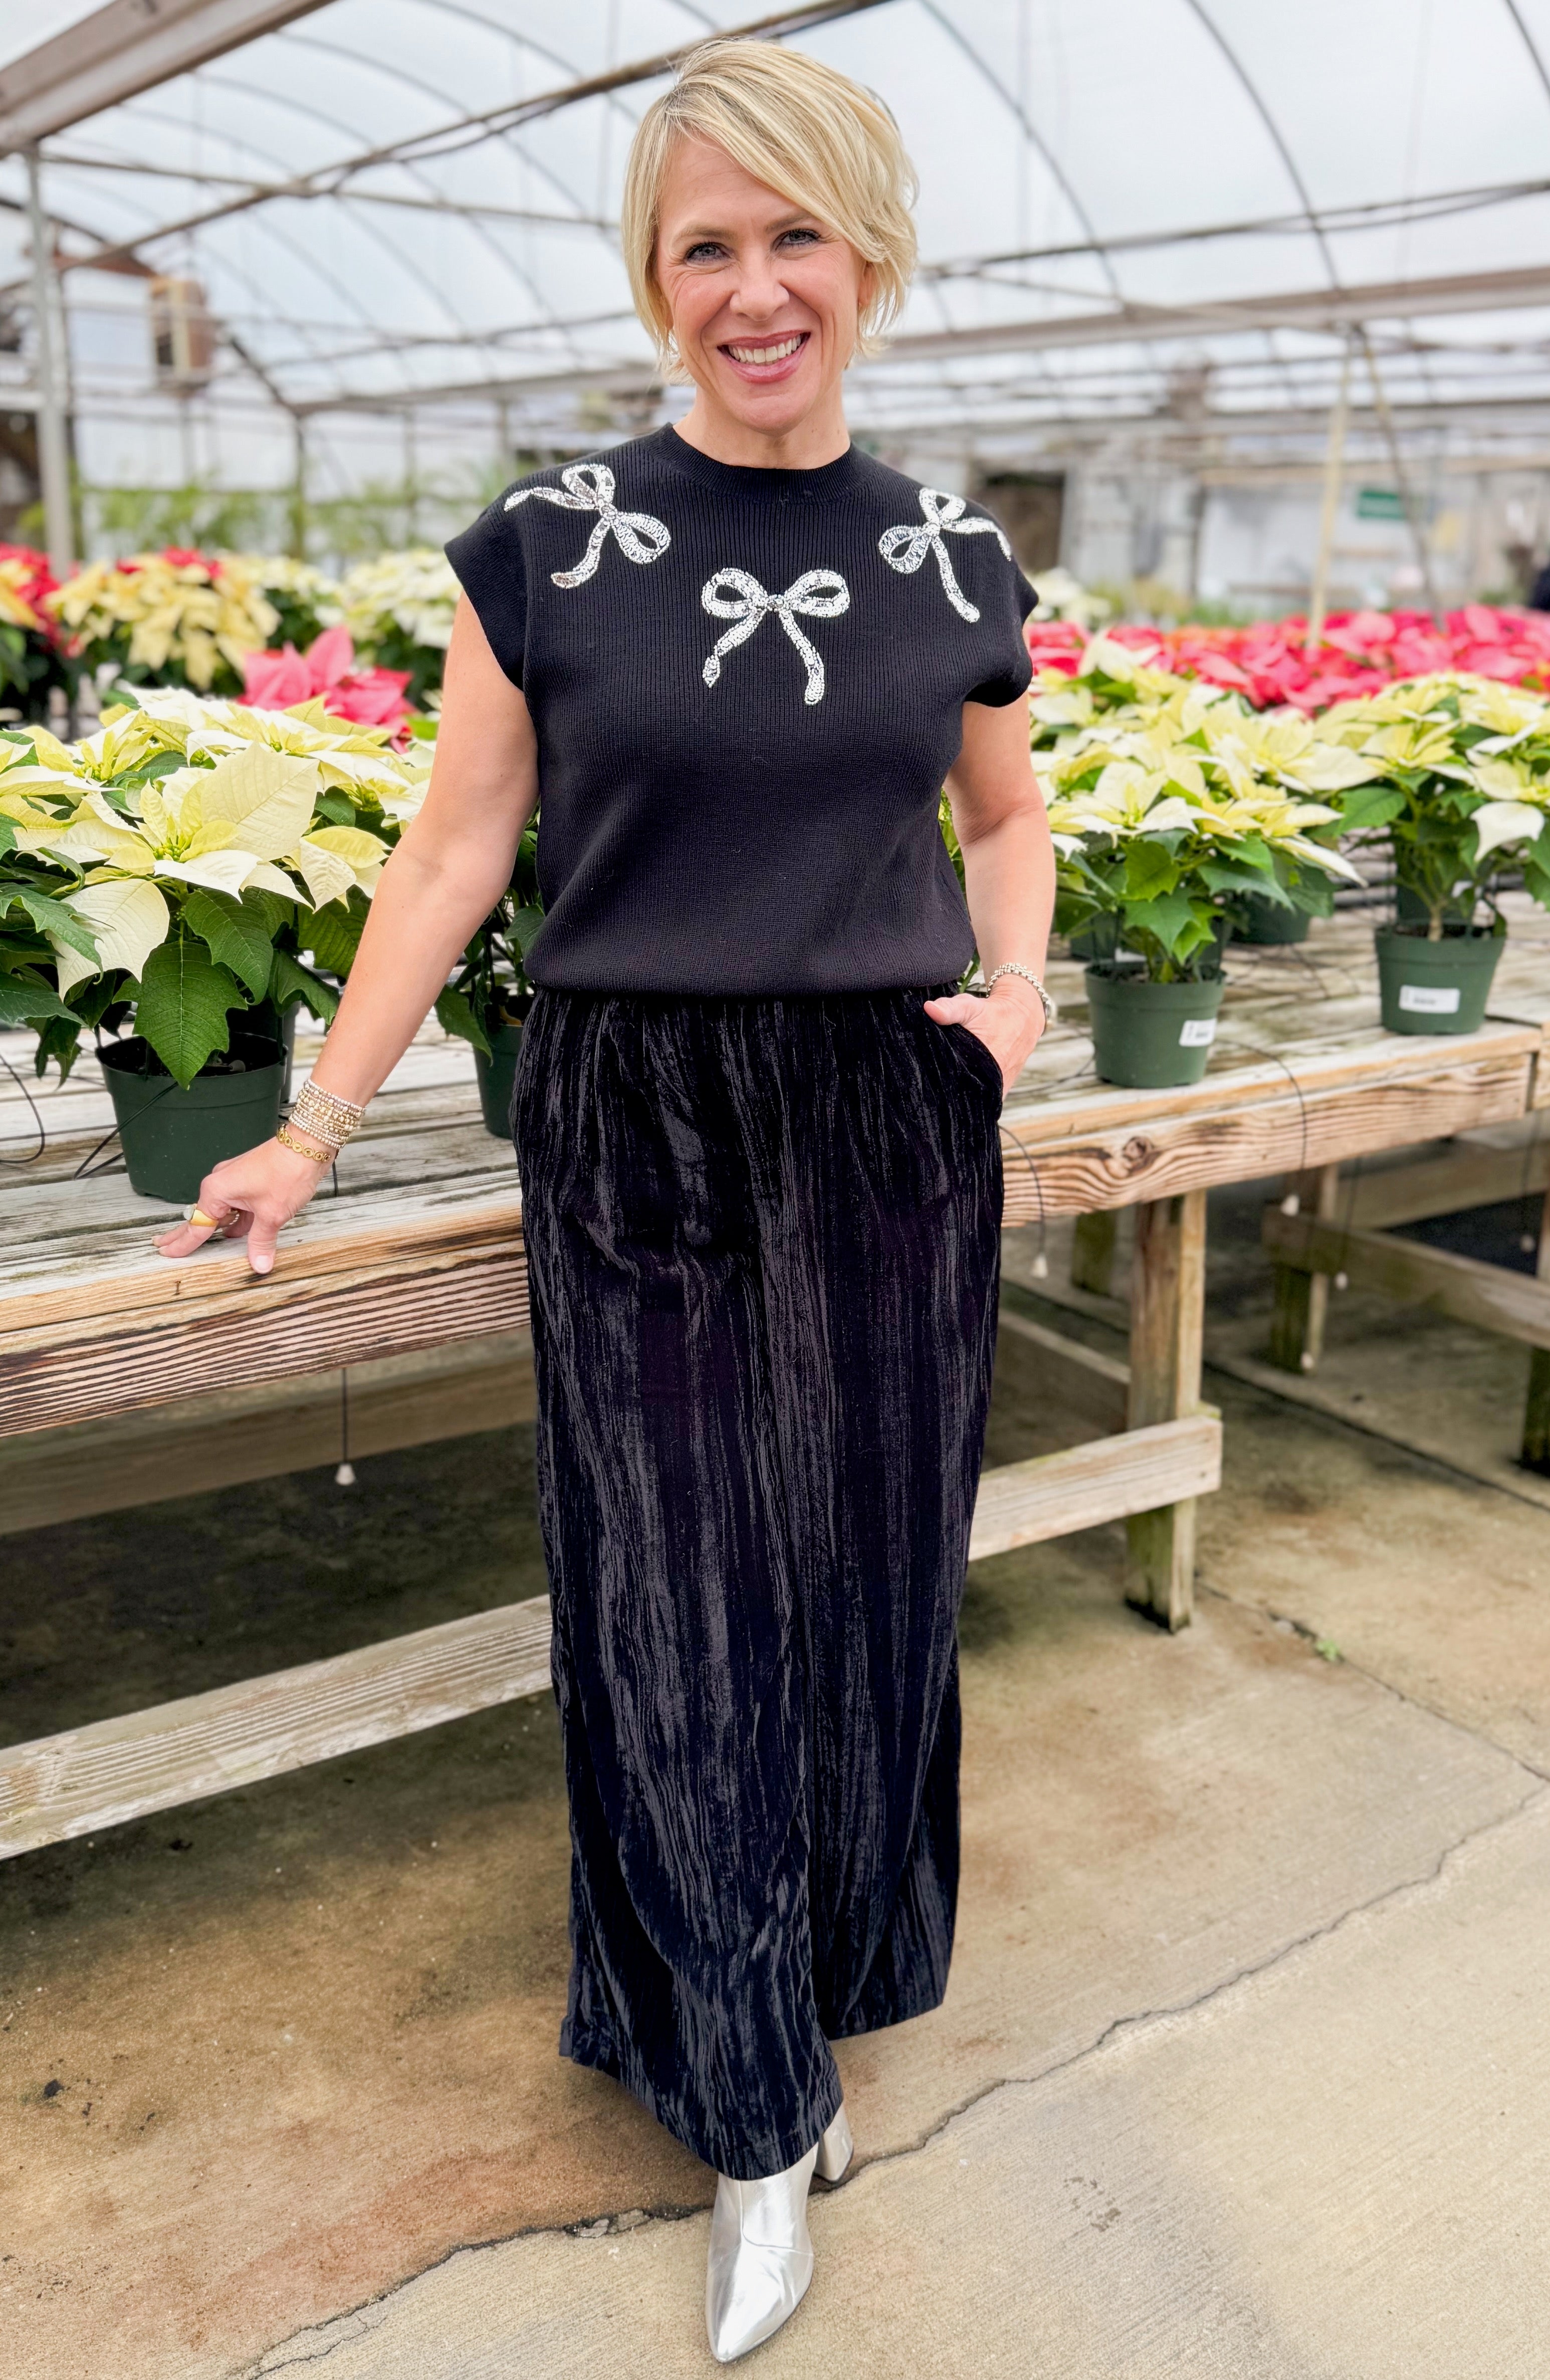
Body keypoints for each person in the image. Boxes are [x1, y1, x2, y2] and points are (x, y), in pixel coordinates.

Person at [158, 38, 1054, 2363]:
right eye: (703, 247)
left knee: (867, 1590)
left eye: (795, 236)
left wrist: (1012, 1006)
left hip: (884, 1119)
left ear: (869, 254)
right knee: (677, 1609)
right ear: (657, 281)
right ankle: (752, 2104)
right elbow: (456, 847)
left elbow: (1006, 813)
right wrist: (310, 1125)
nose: (755, 290)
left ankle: (821, 1991)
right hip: (636, 1115)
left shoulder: (948, 554)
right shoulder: (555, 550)